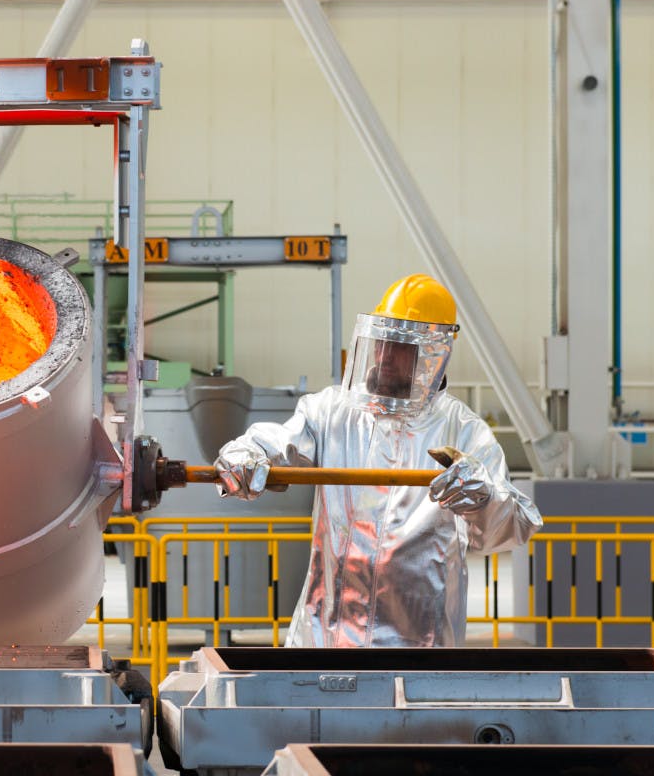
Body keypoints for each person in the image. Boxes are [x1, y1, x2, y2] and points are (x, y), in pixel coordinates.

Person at [214, 274, 541, 647]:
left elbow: (512, 527)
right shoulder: (333, 411)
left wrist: (480, 495)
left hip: (420, 648)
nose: (385, 356)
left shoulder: (463, 431)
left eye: (401, 347)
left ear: (433, 355)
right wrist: (247, 453)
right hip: (324, 642)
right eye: (381, 342)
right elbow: (279, 442)